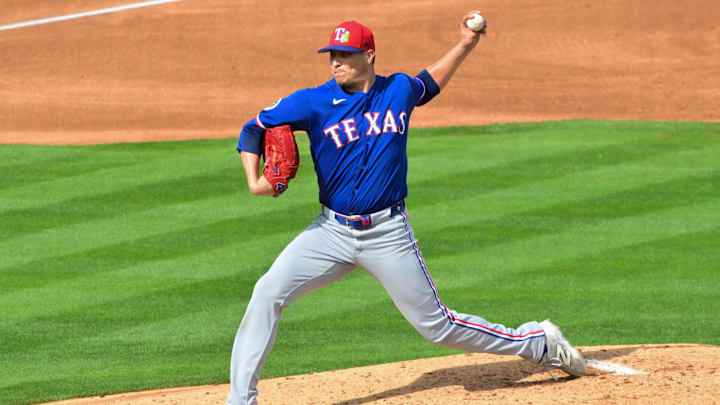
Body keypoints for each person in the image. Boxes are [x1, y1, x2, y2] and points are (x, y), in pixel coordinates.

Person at [229, 12, 586, 405]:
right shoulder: (312, 102)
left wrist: (466, 44)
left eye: (345, 54)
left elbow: (429, 81)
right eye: (332, 54)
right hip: (330, 233)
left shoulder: (397, 91)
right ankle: (241, 400)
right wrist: (254, 180)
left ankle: (538, 341)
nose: (335, 61)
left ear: (369, 55)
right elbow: (253, 128)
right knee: (267, 292)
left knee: (437, 327)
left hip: (387, 233)